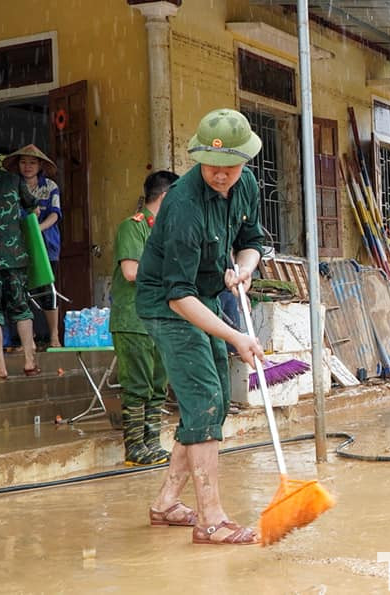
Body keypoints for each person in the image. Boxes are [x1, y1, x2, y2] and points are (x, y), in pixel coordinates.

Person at [136, 108, 266, 544]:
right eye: (211, 166)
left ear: (244, 160)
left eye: (229, 166)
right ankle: (210, 520)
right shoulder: (183, 205)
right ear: (198, 159)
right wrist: (236, 336)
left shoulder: (246, 186)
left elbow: (251, 242)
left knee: (213, 400)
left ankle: (166, 502)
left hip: (205, 296)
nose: (220, 174)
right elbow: (177, 295)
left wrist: (244, 269)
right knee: (205, 397)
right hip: (167, 304)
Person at [111, 170, 178, 467]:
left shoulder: (165, 232)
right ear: (165, 196)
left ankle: (152, 443)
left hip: (161, 320)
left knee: (158, 385)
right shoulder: (133, 226)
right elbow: (130, 272)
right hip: (133, 319)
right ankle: (134, 447)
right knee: (137, 385)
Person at [3, 144, 63, 347]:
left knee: (48, 289)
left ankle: (54, 337)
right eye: (23, 162)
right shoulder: (12, 186)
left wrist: (37, 229)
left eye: (32, 162)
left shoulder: (50, 186)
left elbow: (55, 214)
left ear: (40, 166)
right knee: (20, 291)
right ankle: (28, 341)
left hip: (47, 245)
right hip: (18, 246)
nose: (27, 166)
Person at [0, 149, 40, 379]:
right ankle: (30, 362)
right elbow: (33, 209)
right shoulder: (13, 180)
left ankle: (0, 367)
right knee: (21, 308)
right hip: (15, 256)